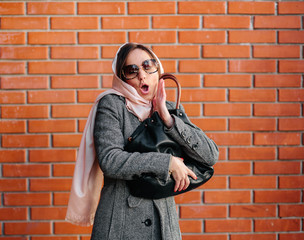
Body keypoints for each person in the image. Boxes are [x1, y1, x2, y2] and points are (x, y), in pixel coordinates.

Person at [65, 43, 219, 240]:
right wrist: (167, 163)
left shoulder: (170, 108)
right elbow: (110, 160)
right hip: (119, 224)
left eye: (148, 65)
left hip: (163, 225)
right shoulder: (111, 104)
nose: (142, 75)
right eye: (132, 70)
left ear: (158, 69)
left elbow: (210, 155)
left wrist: (168, 119)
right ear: (122, 77)